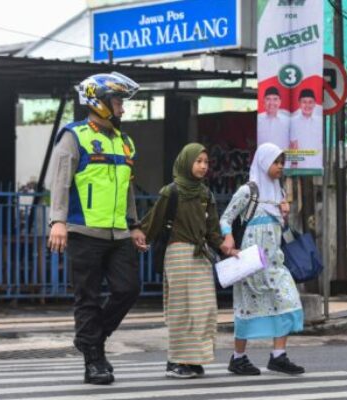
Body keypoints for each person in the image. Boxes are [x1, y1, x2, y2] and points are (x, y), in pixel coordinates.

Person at [47, 72, 148, 385]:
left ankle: (91, 338)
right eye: (117, 101)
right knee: (87, 297)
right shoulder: (73, 136)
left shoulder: (124, 141)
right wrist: (58, 221)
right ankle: (94, 361)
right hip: (83, 231)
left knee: (129, 289)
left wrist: (134, 225)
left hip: (119, 233)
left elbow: (127, 190)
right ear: (99, 102)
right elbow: (60, 182)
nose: (122, 108)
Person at [142, 143, 236, 378]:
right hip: (178, 255)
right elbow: (153, 221)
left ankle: (193, 359)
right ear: (186, 162)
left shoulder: (206, 194)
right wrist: (140, 237)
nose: (203, 166)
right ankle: (176, 361)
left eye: (206, 162)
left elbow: (212, 231)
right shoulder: (171, 192)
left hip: (201, 256)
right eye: (198, 161)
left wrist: (225, 247)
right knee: (181, 310)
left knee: (205, 310)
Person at [218, 142, 305, 376]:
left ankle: (278, 356)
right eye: (276, 162)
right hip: (250, 263)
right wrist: (228, 238)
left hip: (275, 262)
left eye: (281, 163)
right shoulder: (248, 191)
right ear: (264, 161)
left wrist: (284, 215)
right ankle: (238, 358)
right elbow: (226, 218)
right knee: (246, 308)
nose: (279, 167)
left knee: (287, 300)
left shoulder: (280, 192)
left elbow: (280, 228)